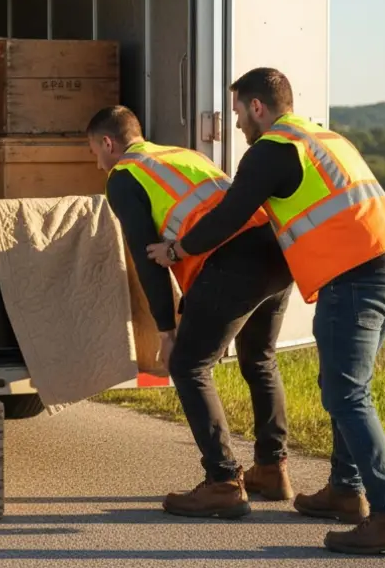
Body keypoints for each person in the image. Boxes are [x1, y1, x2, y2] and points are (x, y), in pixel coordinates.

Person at [147, 67, 385, 556]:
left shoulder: (274, 148)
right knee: (347, 390)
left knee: (346, 395)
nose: (235, 125)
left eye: (236, 113)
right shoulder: (326, 137)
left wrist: (177, 249)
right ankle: (345, 490)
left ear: (257, 107)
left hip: (354, 276)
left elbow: (230, 215)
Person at [87, 105, 296, 520]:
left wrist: (166, 329)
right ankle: (272, 470)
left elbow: (148, 258)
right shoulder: (184, 155)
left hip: (230, 262)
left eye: (94, 151)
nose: (97, 161)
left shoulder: (124, 177)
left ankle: (222, 483)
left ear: (109, 143)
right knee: (259, 359)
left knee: (188, 365)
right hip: (275, 252)